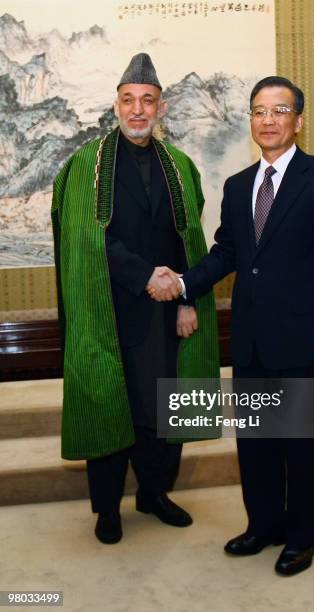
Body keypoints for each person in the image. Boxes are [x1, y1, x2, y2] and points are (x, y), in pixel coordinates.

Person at [149, 76, 314, 575]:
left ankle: (302, 538)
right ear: (251, 120)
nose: (268, 120)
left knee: (301, 443)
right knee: (257, 442)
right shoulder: (240, 186)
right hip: (251, 337)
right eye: (260, 111)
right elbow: (228, 253)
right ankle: (264, 525)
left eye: (279, 111)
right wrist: (182, 284)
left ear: (298, 120)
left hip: (303, 335)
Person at [51, 53, 219, 544]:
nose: (138, 109)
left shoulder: (181, 167)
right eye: (129, 101)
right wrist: (145, 274)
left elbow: (190, 240)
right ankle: (107, 508)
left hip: (166, 311)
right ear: (116, 106)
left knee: (162, 406)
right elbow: (85, 238)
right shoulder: (86, 166)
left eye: (148, 101)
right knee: (108, 402)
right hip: (105, 309)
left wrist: (188, 297)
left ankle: (154, 493)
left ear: (161, 108)